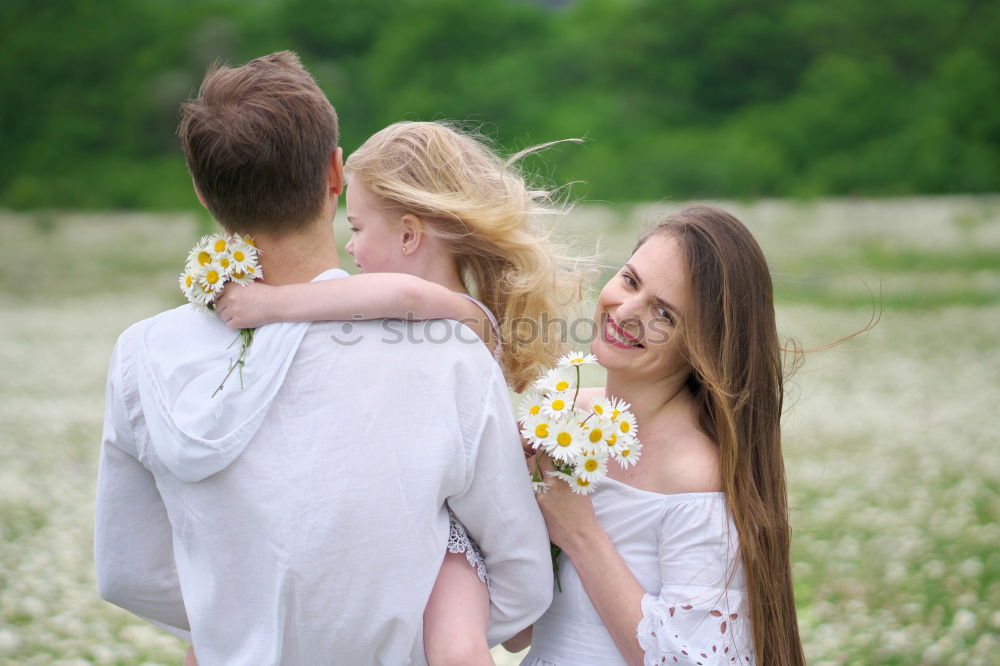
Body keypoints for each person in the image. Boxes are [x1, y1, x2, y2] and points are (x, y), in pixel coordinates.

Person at [94, 51, 552, 665]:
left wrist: (247, 623)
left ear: (203, 192)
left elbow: (127, 574)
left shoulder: (141, 356)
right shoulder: (445, 349)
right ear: (335, 173)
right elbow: (521, 577)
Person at [212, 120, 588, 665]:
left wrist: (275, 304)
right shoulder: (411, 317)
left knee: (456, 649)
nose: (349, 245)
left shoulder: (461, 315)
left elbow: (404, 294)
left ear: (411, 236)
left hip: (455, 536)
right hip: (414, 518)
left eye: (360, 228)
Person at [509, 205, 807, 665]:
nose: (625, 312)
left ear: (704, 344)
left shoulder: (694, 473)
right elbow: (515, 633)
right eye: (630, 280)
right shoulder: (569, 415)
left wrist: (581, 534)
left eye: (663, 314)